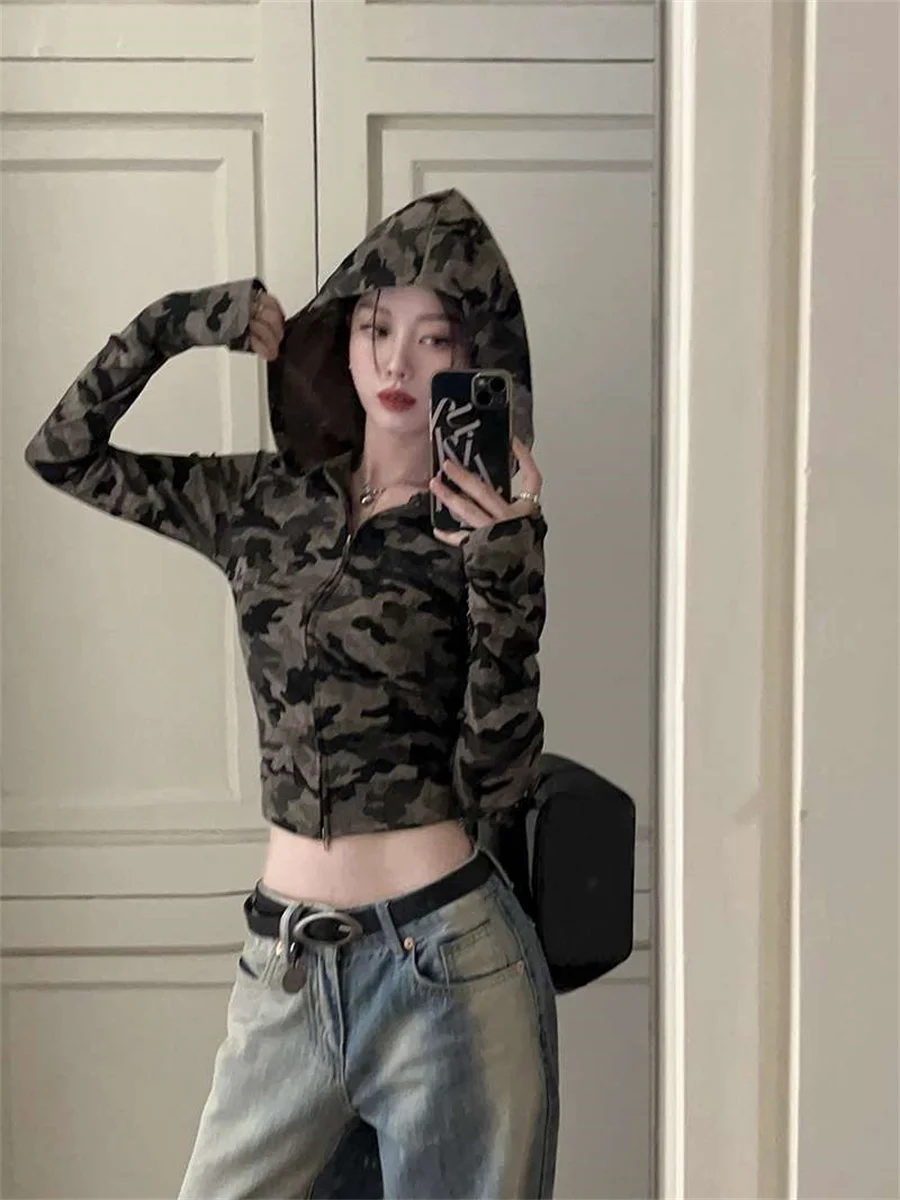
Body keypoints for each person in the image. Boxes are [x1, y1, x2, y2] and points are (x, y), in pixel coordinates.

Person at [25, 189, 559, 1199]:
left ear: (478, 364)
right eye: (376, 328)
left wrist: (507, 565)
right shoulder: (260, 499)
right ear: (340, 339)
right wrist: (181, 323)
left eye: (436, 339)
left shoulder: (485, 536)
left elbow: (495, 776)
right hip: (286, 966)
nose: (398, 365)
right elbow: (63, 453)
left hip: (447, 959)